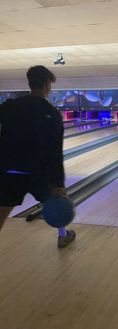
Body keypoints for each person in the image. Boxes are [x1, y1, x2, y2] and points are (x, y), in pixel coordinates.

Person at [0, 65, 76, 248]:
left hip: (10, 171)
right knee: (58, 204)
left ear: (30, 82)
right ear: (47, 85)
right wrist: (59, 183)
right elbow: (55, 151)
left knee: (2, 211)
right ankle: (62, 236)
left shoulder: (10, 106)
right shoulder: (51, 113)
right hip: (38, 173)